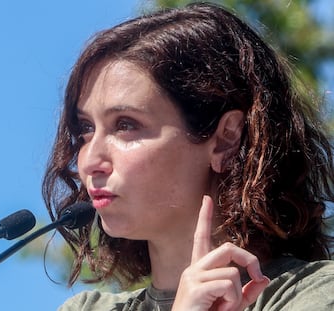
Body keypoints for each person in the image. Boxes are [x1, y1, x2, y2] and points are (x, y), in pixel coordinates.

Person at [42, 2, 334, 310]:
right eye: (86, 128)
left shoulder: (311, 295)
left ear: (225, 139)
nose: (88, 162)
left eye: (126, 125)